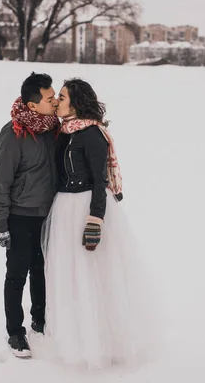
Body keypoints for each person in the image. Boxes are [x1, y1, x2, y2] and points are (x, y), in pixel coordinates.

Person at [42, 78, 150, 369]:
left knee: (94, 277)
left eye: (62, 98)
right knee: (71, 277)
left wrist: (95, 219)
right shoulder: (63, 132)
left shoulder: (92, 134)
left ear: (75, 104)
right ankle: (75, 339)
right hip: (64, 208)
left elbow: (100, 180)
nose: (58, 102)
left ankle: (105, 342)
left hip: (86, 208)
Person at [0, 72, 59, 358]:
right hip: (20, 216)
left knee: (42, 270)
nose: (55, 102)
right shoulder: (13, 133)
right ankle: (15, 332)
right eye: (50, 98)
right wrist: (0, 223)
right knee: (17, 273)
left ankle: (40, 321)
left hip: (49, 215)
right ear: (33, 105)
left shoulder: (54, 129)